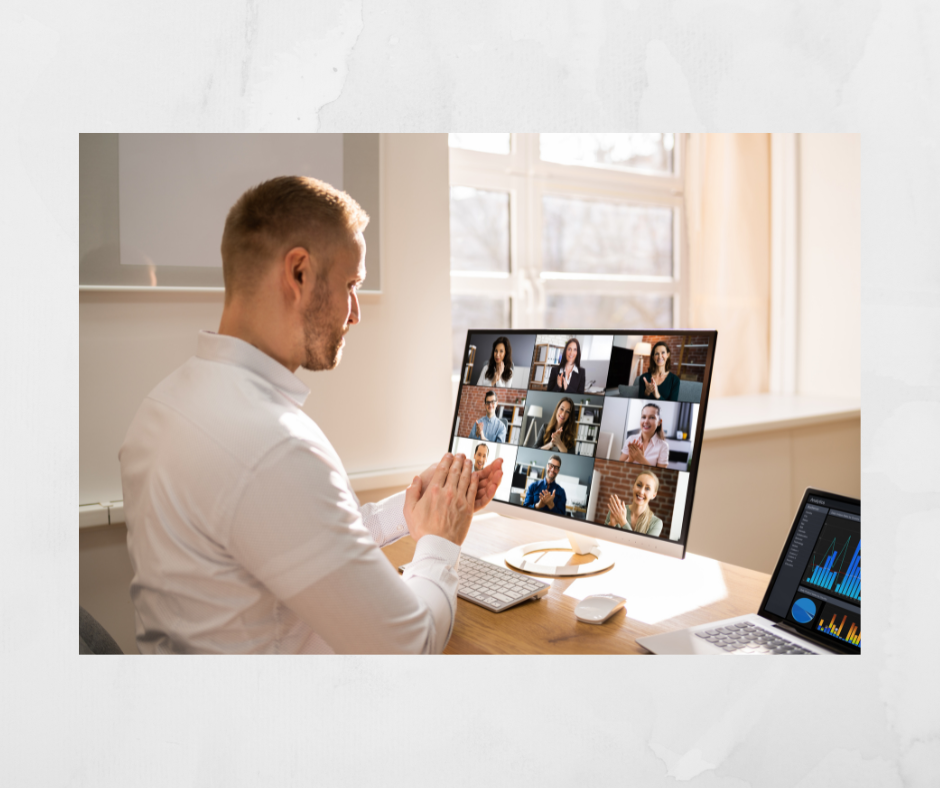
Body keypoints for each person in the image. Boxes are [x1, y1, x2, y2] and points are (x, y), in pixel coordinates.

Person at [119, 176, 504, 655]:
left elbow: (290, 533)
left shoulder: (165, 404)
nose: (356, 312)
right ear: (299, 273)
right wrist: (442, 540)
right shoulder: (273, 447)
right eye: (351, 284)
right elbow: (411, 646)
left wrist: (410, 512)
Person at [605, 472, 663, 537]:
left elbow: (642, 546)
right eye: (639, 485)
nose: (641, 491)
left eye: (647, 488)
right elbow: (603, 539)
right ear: (633, 487)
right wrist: (611, 525)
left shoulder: (656, 523)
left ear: (653, 495)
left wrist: (623, 522)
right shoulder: (617, 511)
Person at [619, 402, 670, 468]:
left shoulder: (663, 446)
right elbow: (619, 466)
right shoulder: (631, 439)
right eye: (643, 417)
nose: (646, 421)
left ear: (659, 422)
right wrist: (630, 460)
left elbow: (659, 476)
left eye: (652, 417)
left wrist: (641, 459)